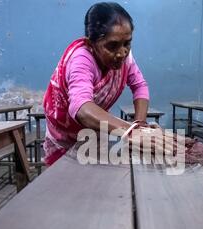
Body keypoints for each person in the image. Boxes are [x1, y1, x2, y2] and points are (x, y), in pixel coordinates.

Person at [42, 2, 150, 166]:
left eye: (127, 43)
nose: (122, 53)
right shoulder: (81, 59)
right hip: (65, 135)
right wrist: (131, 132)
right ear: (90, 44)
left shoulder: (125, 57)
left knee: (98, 181)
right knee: (66, 184)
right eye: (112, 46)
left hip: (93, 132)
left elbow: (140, 86)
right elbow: (82, 107)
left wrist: (140, 127)